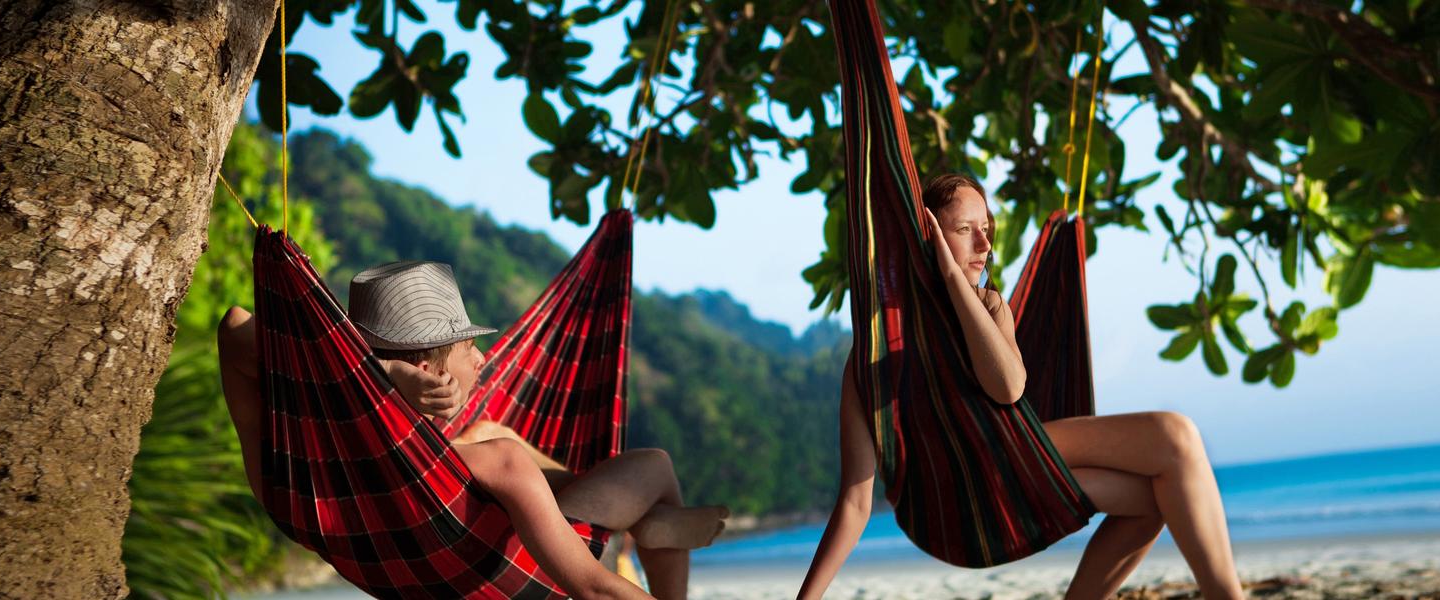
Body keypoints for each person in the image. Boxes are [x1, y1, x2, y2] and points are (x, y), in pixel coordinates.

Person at [798, 174, 1246, 600]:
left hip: (1013, 478)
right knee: (1175, 435)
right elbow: (856, 501)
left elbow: (1008, 384)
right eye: (964, 230)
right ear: (927, 238)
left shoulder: (991, 308)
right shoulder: (874, 356)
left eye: (986, 229)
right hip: (960, 505)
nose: (984, 244)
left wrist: (960, 285)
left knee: (1158, 500)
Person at [218, 260, 727, 600]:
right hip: (535, 563)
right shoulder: (500, 464)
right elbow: (593, 589)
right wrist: (387, 375)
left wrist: (381, 374)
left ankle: (641, 520)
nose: (482, 358)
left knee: (481, 430)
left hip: (446, 552)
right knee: (654, 465)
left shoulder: (291, 481)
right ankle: (643, 520)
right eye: (466, 347)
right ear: (427, 369)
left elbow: (234, 328)